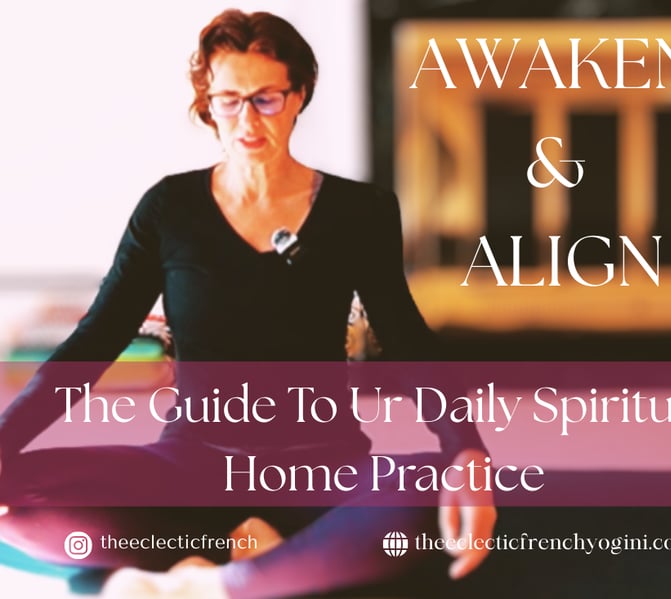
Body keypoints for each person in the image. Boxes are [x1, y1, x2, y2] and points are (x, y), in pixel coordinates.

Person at [0, 9, 496, 598]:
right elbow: (96, 339)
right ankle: (255, 559)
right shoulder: (168, 209)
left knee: (430, 484)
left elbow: (406, 338)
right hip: (189, 469)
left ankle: (210, 582)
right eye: (229, 101)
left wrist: (467, 449)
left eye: (265, 99)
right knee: (18, 494)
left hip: (323, 469)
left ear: (299, 94)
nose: (247, 121)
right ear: (208, 104)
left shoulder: (360, 211)